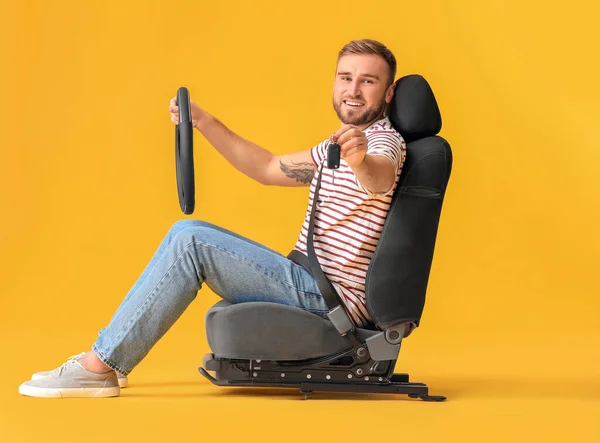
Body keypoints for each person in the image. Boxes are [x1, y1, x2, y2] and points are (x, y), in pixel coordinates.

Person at [18, 39, 407, 398]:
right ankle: (110, 357)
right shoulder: (334, 146)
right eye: (345, 77)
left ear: (387, 93)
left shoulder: (383, 142)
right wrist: (202, 121)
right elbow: (268, 167)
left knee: (190, 240)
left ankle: (99, 367)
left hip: (329, 300)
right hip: (307, 278)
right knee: (191, 232)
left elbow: (379, 176)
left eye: (368, 81)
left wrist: (360, 161)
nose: (353, 90)